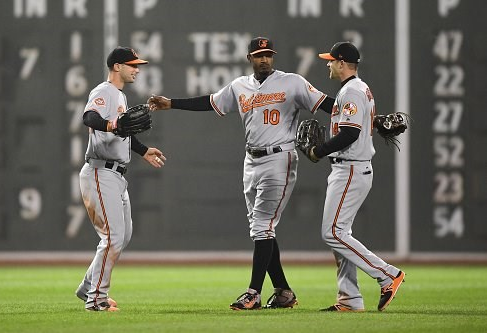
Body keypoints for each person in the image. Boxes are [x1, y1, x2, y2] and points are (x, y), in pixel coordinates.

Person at [148, 37, 333, 310]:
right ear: (250, 58)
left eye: (269, 54)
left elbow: (329, 104)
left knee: (262, 227)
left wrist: (365, 117)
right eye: (259, 55)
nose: (265, 59)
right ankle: (283, 292)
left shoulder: (292, 82)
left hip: (280, 158)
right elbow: (209, 103)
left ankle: (253, 293)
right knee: (262, 229)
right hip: (251, 160)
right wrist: (171, 103)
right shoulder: (239, 86)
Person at [309, 41, 405, 312]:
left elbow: (349, 133)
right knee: (340, 233)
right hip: (350, 168)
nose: (327, 64)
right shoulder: (357, 89)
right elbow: (355, 122)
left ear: (341, 63)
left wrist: (319, 150)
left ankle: (387, 275)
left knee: (332, 233)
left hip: (350, 168)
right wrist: (375, 123)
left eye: (330, 60)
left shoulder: (351, 91)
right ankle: (350, 298)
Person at [75, 46, 166, 312]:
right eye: (132, 65)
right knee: (113, 237)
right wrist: (112, 124)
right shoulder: (104, 91)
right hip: (100, 172)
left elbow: (123, 133)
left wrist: (143, 150)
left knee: (123, 236)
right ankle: (96, 299)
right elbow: (89, 117)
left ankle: (87, 287)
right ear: (117, 67)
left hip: (115, 174)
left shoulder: (120, 96)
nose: (137, 69)